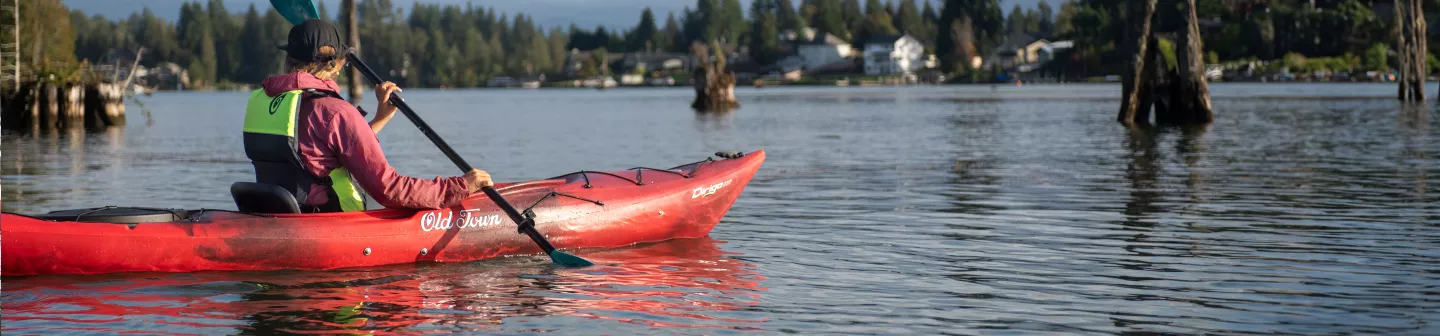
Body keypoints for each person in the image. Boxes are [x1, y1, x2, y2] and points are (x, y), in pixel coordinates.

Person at [241, 19, 490, 212]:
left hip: (278, 215)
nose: (340, 70)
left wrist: (380, 118)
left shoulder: (266, 100)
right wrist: (459, 187)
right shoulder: (335, 112)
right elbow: (389, 190)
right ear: (330, 63)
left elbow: (315, 153)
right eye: (341, 63)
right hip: (329, 222)